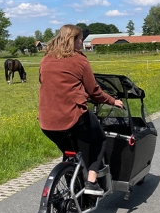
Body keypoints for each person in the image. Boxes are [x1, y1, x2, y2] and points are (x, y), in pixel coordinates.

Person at [38, 24, 124, 196]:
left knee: (69, 152)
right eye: (80, 39)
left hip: (46, 120)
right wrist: (112, 100)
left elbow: (44, 81)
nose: (81, 42)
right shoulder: (80, 60)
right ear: (73, 40)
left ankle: (72, 189)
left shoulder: (46, 59)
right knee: (99, 139)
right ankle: (91, 182)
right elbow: (94, 91)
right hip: (72, 116)